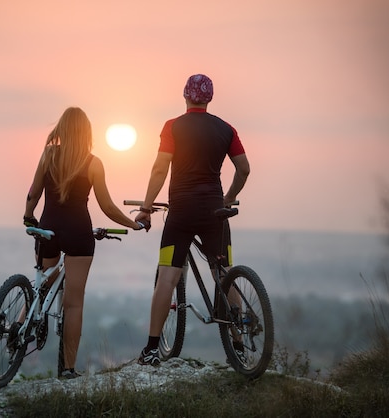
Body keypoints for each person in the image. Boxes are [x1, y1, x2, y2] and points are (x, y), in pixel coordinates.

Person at [134, 74, 250, 366]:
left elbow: (160, 168)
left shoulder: (172, 126)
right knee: (224, 272)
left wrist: (146, 207)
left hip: (182, 213)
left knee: (167, 277)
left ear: (185, 96)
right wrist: (228, 197)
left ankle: (150, 350)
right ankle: (238, 344)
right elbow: (244, 169)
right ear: (209, 98)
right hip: (215, 212)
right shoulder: (227, 129)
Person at [23, 107, 145, 379]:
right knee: (74, 304)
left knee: (41, 282)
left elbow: (34, 192)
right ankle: (67, 369)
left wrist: (28, 215)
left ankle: (18, 326)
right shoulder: (93, 163)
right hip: (78, 233)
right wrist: (133, 224)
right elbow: (108, 207)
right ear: (86, 133)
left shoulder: (49, 155)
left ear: (62, 129)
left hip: (48, 229)